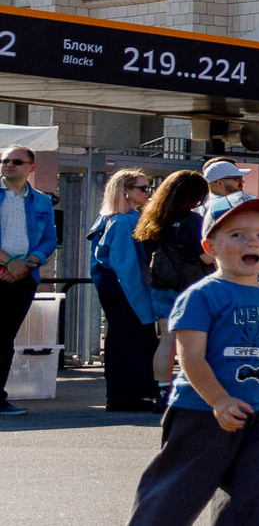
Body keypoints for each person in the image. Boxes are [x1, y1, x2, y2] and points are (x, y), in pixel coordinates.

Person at [125, 197, 259, 526]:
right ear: (209, 246)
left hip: (258, 415)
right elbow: (190, 356)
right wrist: (218, 400)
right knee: (174, 495)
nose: (252, 242)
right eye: (237, 235)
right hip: (201, 412)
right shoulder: (201, 296)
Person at [89, 167, 165, 412]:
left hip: (113, 286)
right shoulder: (125, 220)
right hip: (126, 288)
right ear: (125, 192)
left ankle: (125, 393)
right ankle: (129, 394)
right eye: (143, 188)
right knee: (131, 339)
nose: (148, 192)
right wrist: (142, 296)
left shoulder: (110, 218)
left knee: (121, 338)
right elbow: (126, 265)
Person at [135, 169, 211, 393]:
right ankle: (193, 388)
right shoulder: (193, 221)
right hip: (191, 288)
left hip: (161, 285)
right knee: (194, 341)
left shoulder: (152, 218)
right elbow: (205, 255)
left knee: (166, 340)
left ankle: (162, 390)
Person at [0, 142, 59, 418]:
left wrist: (31, 261)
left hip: (24, 277)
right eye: (4, 160)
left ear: (31, 167)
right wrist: (10, 262)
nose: (8, 165)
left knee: (5, 338)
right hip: (7, 269)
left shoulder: (42, 200)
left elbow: (50, 239)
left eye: (16, 161)